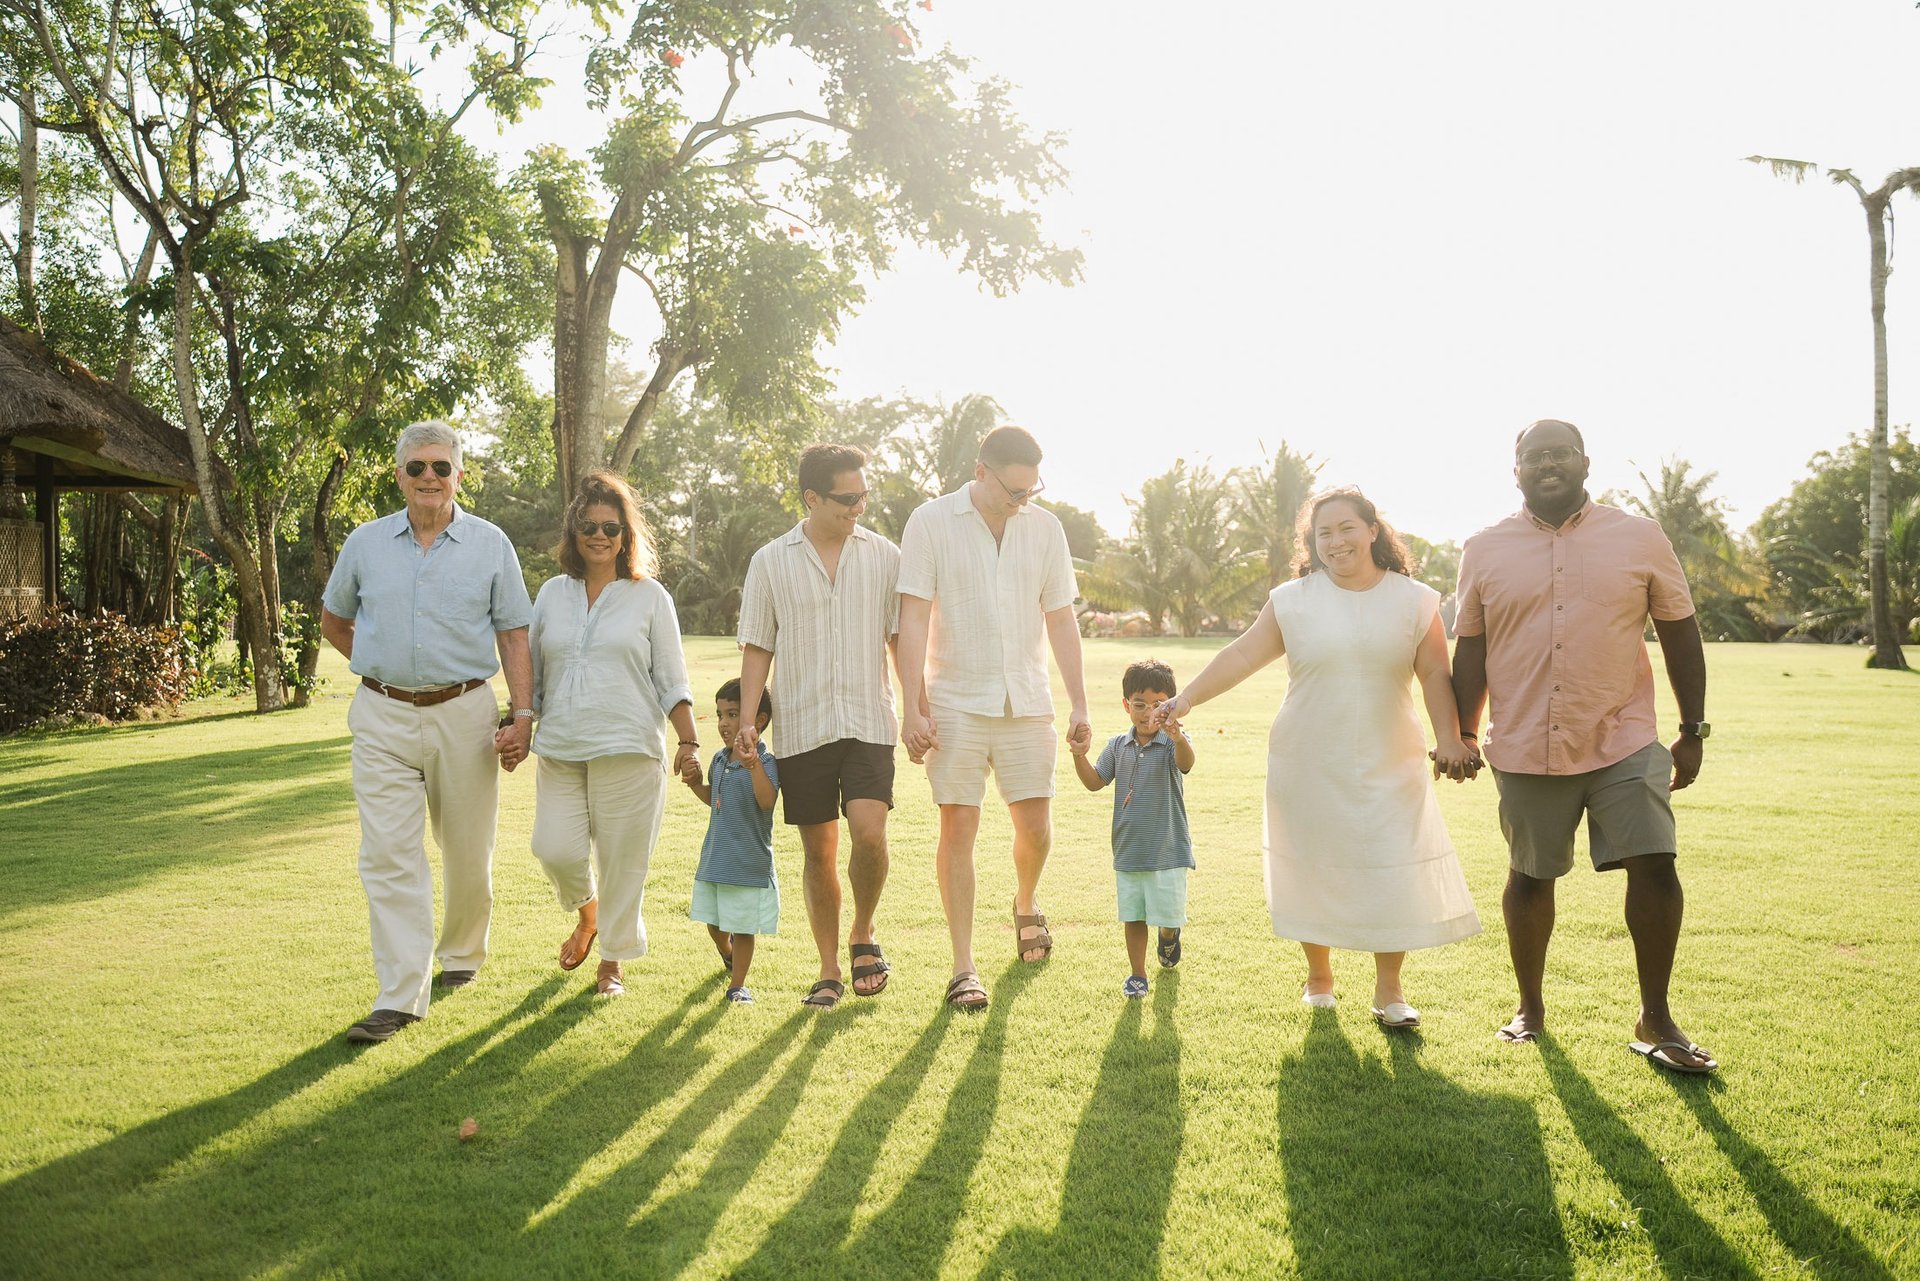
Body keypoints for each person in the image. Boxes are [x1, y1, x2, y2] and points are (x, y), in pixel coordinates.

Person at [1155, 486, 1481, 1027]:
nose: (1335, 541)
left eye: (1346, 528)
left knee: (1387, 865)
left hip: (1390, 757)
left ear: (1373, 530)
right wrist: (1185, 698)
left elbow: (1434, 674)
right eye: (1323, 533)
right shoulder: (1293, 598)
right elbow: (1241, 655)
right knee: (1312, 864)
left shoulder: (1416, 599)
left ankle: (1389, 991)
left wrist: (1451, 737)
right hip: (1306, 756)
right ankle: (1319, 978)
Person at [1452, 419, 1716, 1073]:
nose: (1547, 464)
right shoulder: (1483, 549)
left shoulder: (1639, 537)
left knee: (1656, 862)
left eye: (1560, 453)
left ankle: (1655, 1017)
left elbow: (1680, 630)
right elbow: (1472, 648)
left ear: (1585, 463)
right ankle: (1530, 1008)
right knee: (1531, 874)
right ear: (1515, 469)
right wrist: (1459, 731)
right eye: (1533, 456)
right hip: (1524, 741)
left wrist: (1693, 728)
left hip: (1623, 735)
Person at [320, 420, 533, 1044]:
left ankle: (462, 953)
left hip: (465, 712)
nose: (430, 478)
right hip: (381, 715)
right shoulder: (365, 543)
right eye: (417, 468)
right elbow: (335, 620)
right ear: (399, 476)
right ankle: (399, 996)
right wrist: (377, 662)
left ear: (458, 476)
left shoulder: (491, 544)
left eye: (441, 467)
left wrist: (522, 716)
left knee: (467, 848)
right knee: (388, 854)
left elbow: (514, 634)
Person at [897, 425, 1093, 1011]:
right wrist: (913, 703)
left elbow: (1060, 618)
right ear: (981, 472)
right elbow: (912, 618)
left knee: (1035, 828)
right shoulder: (929, 522)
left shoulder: (1046, 527)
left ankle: (1025, 902)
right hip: (954, 699)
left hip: (1026, 699)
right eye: (1013, 491)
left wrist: (1080, 701)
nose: (1022, 501)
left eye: (1031, 490)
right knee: (958, 828)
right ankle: (964, 967)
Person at [735, 443, 903, 1010]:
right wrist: (750, 722)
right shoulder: (770, 561)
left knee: (870, 834)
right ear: (812, 497)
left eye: (864, 495)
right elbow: (758, 645)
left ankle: (864, 931)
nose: (859, 506)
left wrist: (919, 709)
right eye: (847, 497)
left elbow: (901, 640)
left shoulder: (885, 557)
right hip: (802, 725)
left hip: (869, 719)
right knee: (817, 852)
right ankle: (829, 968)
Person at [519, 471, 697, 998]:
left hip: (629, 747)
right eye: (588, 525)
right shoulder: (552, 594)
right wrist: (518, 725)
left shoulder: (649, 596)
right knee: (554, 849)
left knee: (622, 864)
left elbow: (671, 677)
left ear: (626, 535)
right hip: (561, 747)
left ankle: (611, 963)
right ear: (573, 531)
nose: (600, 536)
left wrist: (689, 742)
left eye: (611, 527)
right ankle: (588, 914)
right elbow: (533, 672)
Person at [1071, 659, 1196, 999]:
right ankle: (1137, 974)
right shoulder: (1116, 746)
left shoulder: (1173, 741)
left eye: (1158, 705)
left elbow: (1186, 763)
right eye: (1140, 705)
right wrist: (1078, 755)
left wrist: (1178, 736)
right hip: (1129, 851)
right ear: (1127, 705)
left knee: (1168, 917)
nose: (1148, 713)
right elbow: (1095, 782)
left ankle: (1169, 937)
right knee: (1134, 916)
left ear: (1170, 706)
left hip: (1168, 851)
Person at [683, 680, 780, 1004]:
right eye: (720, 714)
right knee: (714, 923)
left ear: (759, 721)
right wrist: (697, 784)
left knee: (742, 927)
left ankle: (737, 985)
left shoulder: (766, 764)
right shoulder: (719, 761)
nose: (723, 723)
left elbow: (766, 801)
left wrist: (752, 767)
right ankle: (727, 954)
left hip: (747, 862)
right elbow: (717, 800)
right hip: (716, 858)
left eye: (732, 714)